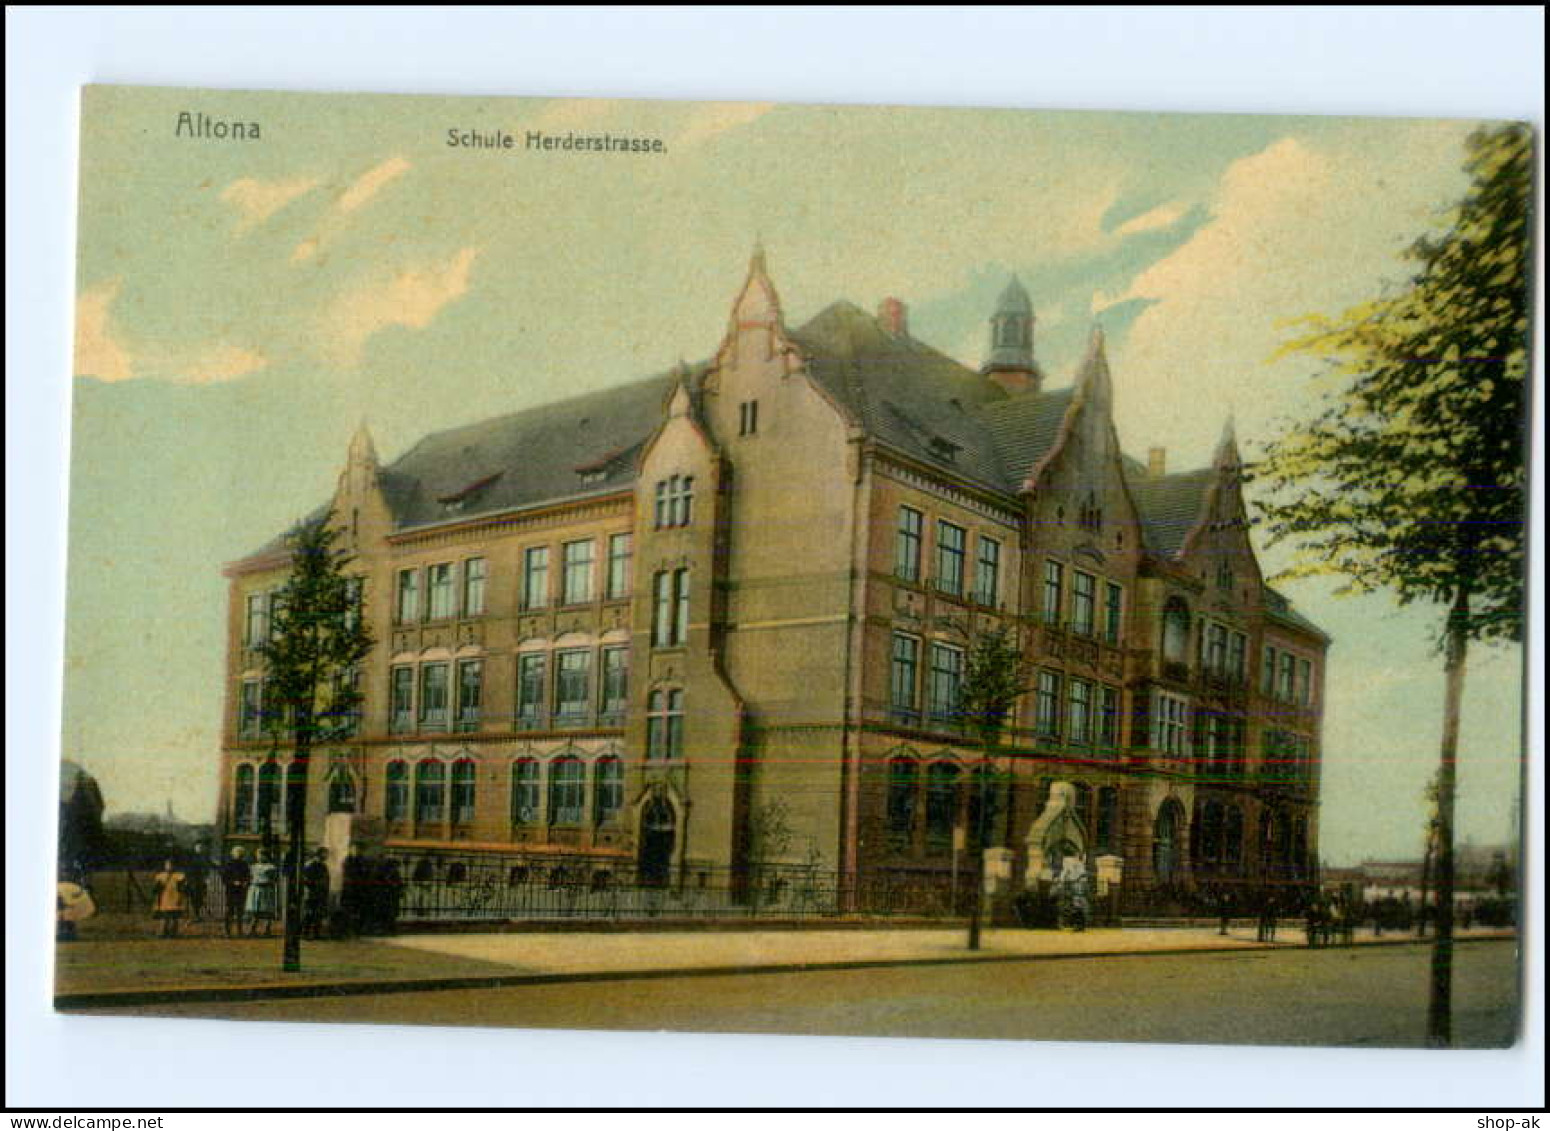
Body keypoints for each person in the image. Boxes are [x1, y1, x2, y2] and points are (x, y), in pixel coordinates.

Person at [244, 849, 280, 937]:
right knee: (255, 911)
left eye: (261, 855)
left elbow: (274, 879)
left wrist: (268, 882)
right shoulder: (253, 866)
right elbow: (250, 877)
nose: (259, 857)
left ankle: (267, 930)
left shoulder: (271, 867)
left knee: (267, 910)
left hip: (266, 889)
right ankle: (252, 930)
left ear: (266, 856)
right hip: (255, 889)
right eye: (258, 855)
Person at [340, 844, 371, 937]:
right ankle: (347, 930)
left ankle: (358, 930)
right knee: (349, 910)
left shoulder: (362, 860)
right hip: (350, 889)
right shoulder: (348, 860)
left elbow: (366, 873)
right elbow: (348, 874)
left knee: (359, 911)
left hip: (360, 889)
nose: (356, 851)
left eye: (357, 850)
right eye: (354, 849)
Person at [151, 859, 188, 938]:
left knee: (174, 917)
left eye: (171, 865)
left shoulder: (179, 876)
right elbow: (156, 889)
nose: (169, 867)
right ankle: (163, 932)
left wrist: (181, 897)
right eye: (167, 865)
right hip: (164, 898)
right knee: (164, 917)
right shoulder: (160, 876)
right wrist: (157, 897)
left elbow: (182, 888)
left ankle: (173, 932)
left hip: (175, 898)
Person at [221, 846, 252, 937]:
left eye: (240, 853)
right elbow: (224, 879)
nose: (239, 854)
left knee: (240, 911)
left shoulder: (245, 865)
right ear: (233, 854)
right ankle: (227, 931)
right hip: (231, 890)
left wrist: (246, 882)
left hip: (241, 890)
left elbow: (248, 876)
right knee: (229, 911)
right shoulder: (228, 865)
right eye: (237, 852)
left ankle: (240, 931)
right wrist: (233, 882)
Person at [302, 848, 331, 940]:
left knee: (318, 914)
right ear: (319, 854)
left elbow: (327, 879)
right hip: (312, 893)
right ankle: (305, 933)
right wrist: (316, 884)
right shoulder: (310, 865)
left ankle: (316, 933)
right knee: (309, 913)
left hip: (320, 893)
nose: (326, 856)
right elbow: (305, 879)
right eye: (325, 854)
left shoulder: (323, 866)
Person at [183, 841, 212, 924]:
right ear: (194, 848)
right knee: (192, 898)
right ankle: (192, 915)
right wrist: (186, 879)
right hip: (192, 880)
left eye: (201, 847)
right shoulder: (190, 857)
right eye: (198, 847)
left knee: (200, 897)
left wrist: (206, 878)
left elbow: (206, 869)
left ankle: (197, 915)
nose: (199, 849)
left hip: (200, 881)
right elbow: (187, 869)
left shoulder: (204, 858)